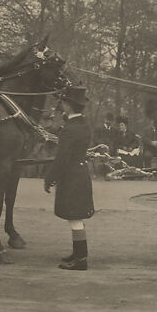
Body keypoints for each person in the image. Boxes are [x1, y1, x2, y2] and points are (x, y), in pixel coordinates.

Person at [43, 85, 95, 271]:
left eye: (64, 102)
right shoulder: (83, 125)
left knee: (74, 218)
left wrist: (49, 178)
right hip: (80, 174)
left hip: (71, 177)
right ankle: (78, 254)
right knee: (75, 217)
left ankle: (81, 259)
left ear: (69, 105)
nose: (62, 105)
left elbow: (62, 159)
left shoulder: (69, 129)